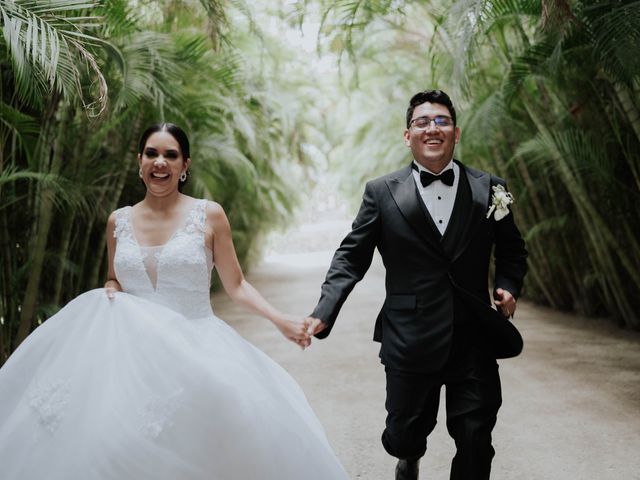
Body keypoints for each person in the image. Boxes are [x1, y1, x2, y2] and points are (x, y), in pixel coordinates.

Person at [0, 123, 348, 480]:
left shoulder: (209, 214)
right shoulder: (117, 221)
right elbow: (114, 277)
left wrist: (281, 321)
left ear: (185, 166)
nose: (160, 163)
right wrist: (110, 288)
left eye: (170, 155)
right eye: (151, 153)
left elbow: (237, 284)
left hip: (196, 347)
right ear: (139, 162)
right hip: (129, 358)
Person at [305, 90, 528, 480]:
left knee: (476, 437)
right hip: (409, 335)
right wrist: (325, 311)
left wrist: (508, 286)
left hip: (472, 333)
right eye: (422, 122)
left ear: (456, 132)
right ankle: (408, 458)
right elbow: (351, 256)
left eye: (441, 121)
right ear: (408, 135)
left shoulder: (489, 188)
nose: (432, 128)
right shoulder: (381, 191)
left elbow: (512, 250)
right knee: (405, 434)